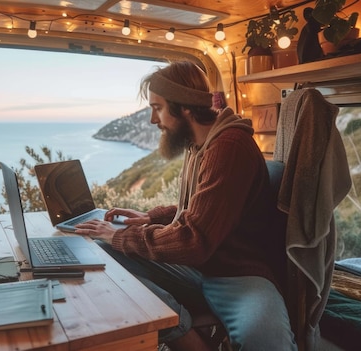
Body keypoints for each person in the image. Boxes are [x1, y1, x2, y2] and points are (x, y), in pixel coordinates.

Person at [75, 60, 296, 351]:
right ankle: (181, 331)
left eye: (157, 108)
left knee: (267, 341)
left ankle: (187, 338)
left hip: (239, 274)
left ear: (185, 107)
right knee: (104, 254)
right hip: (202, 267)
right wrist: (150, 217)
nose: (154, 120)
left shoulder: (229, 147)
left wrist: (118, 234)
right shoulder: (199, 145)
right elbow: (199, 207)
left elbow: (194, 239)